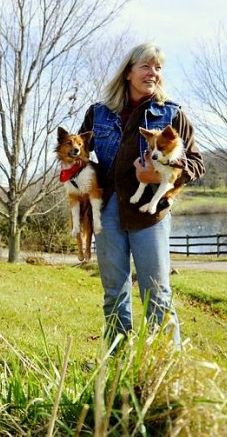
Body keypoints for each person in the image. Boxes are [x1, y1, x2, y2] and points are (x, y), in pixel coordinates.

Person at [78, 43, 205, 349]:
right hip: (107, 209)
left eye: (158, 68)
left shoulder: (172, 114)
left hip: (151, 212)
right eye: (146, 66)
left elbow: (197, 164)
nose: (153, 73)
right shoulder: (98, 113)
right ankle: (120, 363)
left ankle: (165, 369)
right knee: (114, 292)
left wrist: (160, 175)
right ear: (128, 72)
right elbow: (79, 154)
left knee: (156, 291)